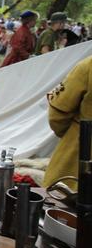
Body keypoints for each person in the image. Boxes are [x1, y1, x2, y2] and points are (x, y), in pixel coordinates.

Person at [43, 56, 92, 191]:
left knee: (61, 204)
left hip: (79, 154)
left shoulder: (88, 66)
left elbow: (58, 115)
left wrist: (72, 136)